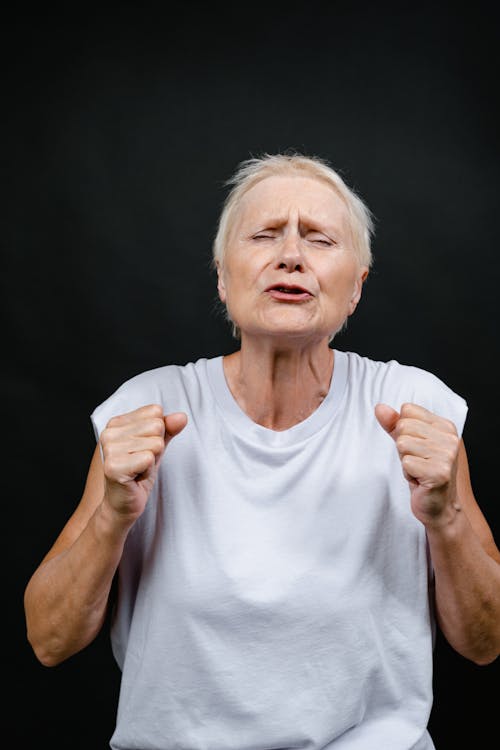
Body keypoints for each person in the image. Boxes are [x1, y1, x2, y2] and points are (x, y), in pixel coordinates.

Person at [24, 152, 500, 750]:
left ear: (356, 286)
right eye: (265, 234)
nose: (292, 256)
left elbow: (486, 643)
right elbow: (48, 639)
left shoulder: (414, 405)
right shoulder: (147, 406)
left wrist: (446, 518)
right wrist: (113, 516)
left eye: (320, 239)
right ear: (224, 276)